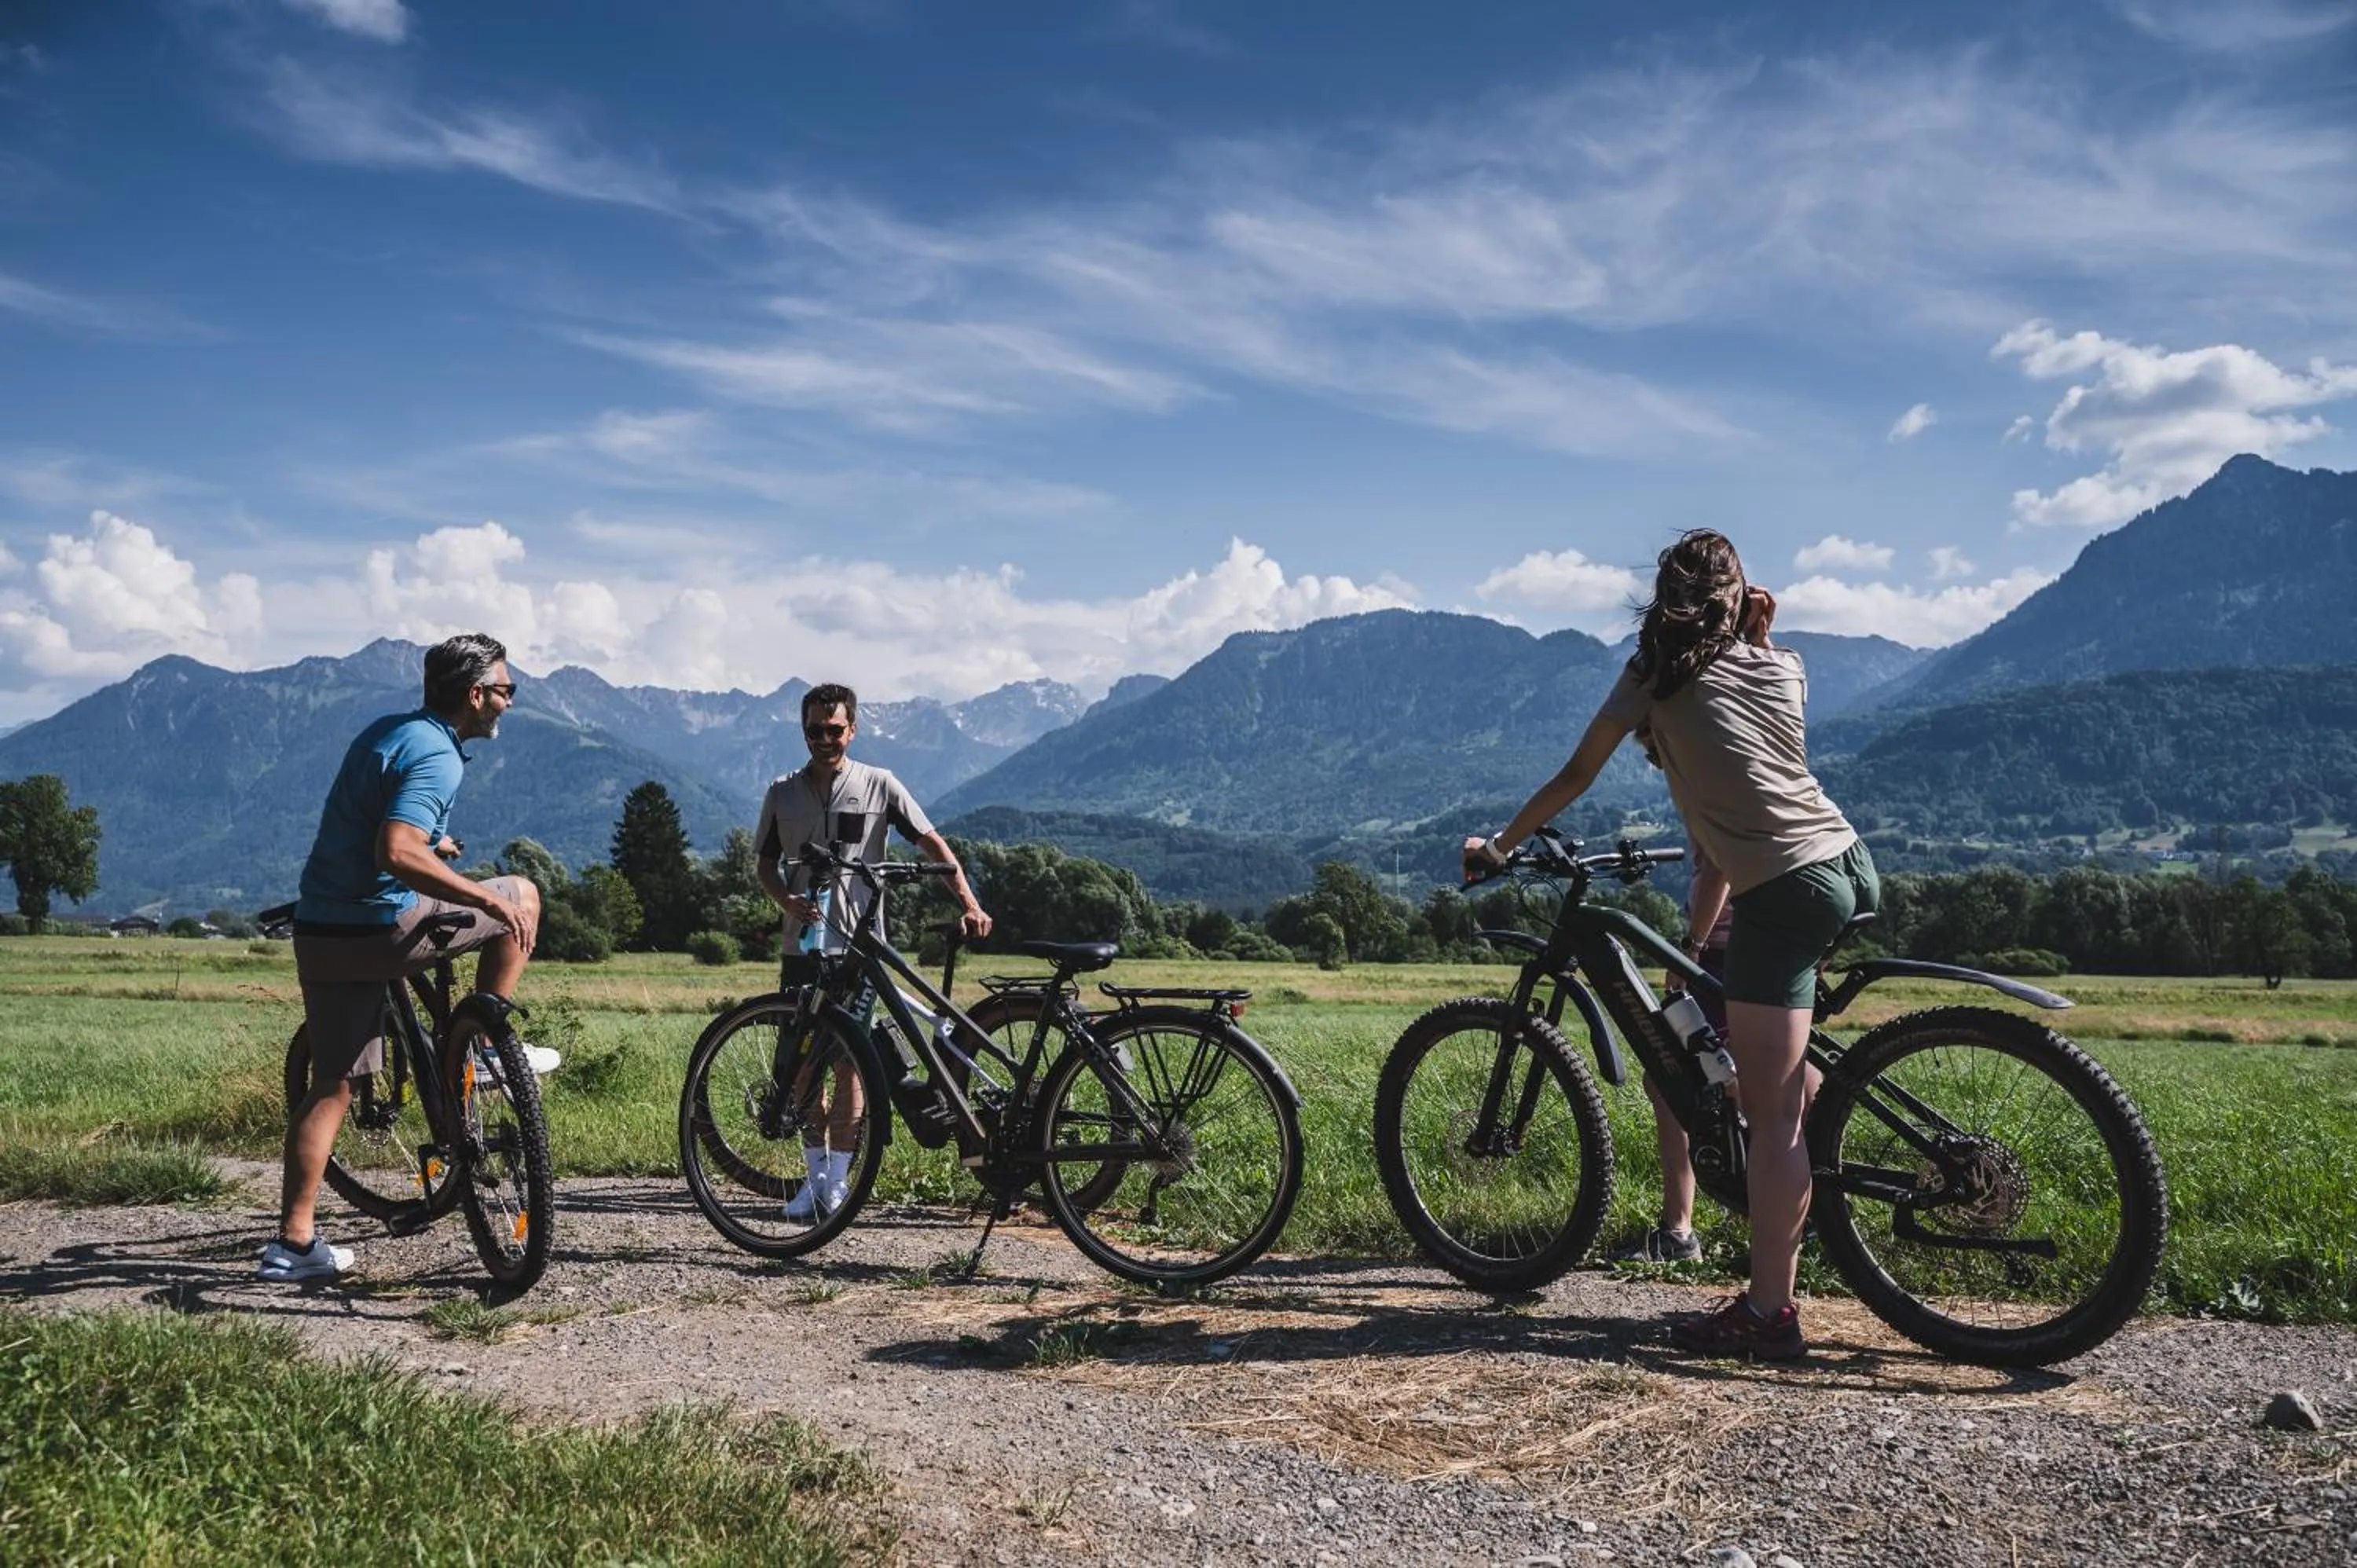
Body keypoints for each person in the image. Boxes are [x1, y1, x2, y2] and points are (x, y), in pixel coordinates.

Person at [1465, 529, 1876, 1360]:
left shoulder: (1655, 674)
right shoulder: (1783, 668)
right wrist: (1758, 638)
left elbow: (1577, 773)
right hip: (1847, 862)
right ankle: (1798, 1222)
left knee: (1773, 1114)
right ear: (1741, 596)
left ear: (1666, 596)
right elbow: (1761, 764)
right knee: (1779, 1080)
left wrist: (1502, 844)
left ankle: (1768, 1314)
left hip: (1784, 889)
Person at [263, 633, 548, 1283]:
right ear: (475, 694)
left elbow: (376, 823)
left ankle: (292, 1244)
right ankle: (484, 1046)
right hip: (379, 927)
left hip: (322, 929)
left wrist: (434, 842)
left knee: (331, 1085)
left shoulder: (389, 733)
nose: (509, 702)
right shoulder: (439, 755)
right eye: (506, 690)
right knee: (522, 896)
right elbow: (395, 850)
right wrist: (484, 897)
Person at [754, 682, 991, 1220]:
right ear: (803, 731)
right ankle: (814, 1180)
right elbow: (765, 866)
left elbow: (932, 844)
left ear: (852, 729)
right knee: (802, 1069)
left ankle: (839, 1182)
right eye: (814, 730)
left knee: (849, 1066)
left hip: (859, 949)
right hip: (803, 949)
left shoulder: (880, 784)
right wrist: (785, 900)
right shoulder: (781, 793)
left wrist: (970, 902)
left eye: (834, 730)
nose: (824, 739)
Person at [1610, 833, 1732, 1265]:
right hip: (1759, 941)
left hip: (1728, 950)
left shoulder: (1715, 792)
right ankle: (1811, 1215)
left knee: (1673, 1080)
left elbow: (1720, 865)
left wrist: (1691, 948)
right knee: (1677, 1080)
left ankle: (1679, 1230)